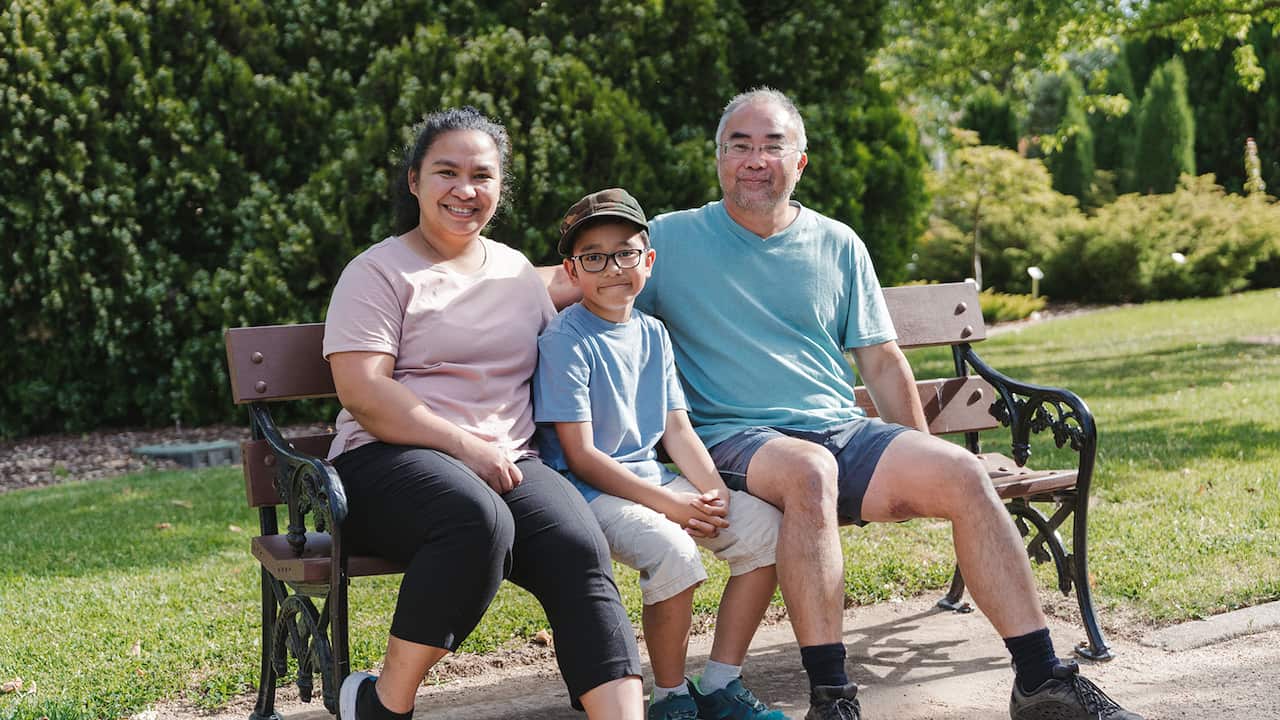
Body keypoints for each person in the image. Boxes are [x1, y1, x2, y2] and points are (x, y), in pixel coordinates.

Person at [545, 88, 1143, 720]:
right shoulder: (668, 240)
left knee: (964, 474)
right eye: (739, 145)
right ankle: (833, 697)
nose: (755, 159)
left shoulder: (838, 243)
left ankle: (1041, 679)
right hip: (734, 438)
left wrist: (920, 445)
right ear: (719, 159)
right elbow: (568, 282)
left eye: (772, 145)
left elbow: (882, 362)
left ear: (799, 162)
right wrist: (469, 282)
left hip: (839, 428)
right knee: (811, 470)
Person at [323, 107, 644, 720]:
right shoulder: (376, 273)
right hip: (386, 465)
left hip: (508, 462)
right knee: (477, 519)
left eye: (482, 175)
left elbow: (601, 271)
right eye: (447, 172)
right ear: (414, 180)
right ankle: (381, 704)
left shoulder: (516, 270)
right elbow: (363, 391)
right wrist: (466, 447)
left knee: (578, 545)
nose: (465, 190)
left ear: (500, 188)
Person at [533, 188, 788, 720]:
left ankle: (720, 683)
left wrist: (713, 491)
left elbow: (677, 429)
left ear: (647, 261)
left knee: (766, 530)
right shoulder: (566, 340)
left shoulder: (653, 333)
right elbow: (580, 456)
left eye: (626, 253)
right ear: (572, 270)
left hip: (652, 477)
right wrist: (672, 506)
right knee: (673, 551)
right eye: (594, 257)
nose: (612, 269)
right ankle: (671, 695)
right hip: (590, 494)